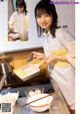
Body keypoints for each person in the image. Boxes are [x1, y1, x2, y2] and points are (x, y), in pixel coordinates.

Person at [31, 0, 75, 114]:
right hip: (57, 80)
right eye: (39, 16)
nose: (43, 20)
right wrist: (44, 55)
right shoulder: (45, 35)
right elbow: (57, 53)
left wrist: (55, 57)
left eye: (46, 15)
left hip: (69, 81)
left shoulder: (61, 33)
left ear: (53, 15)